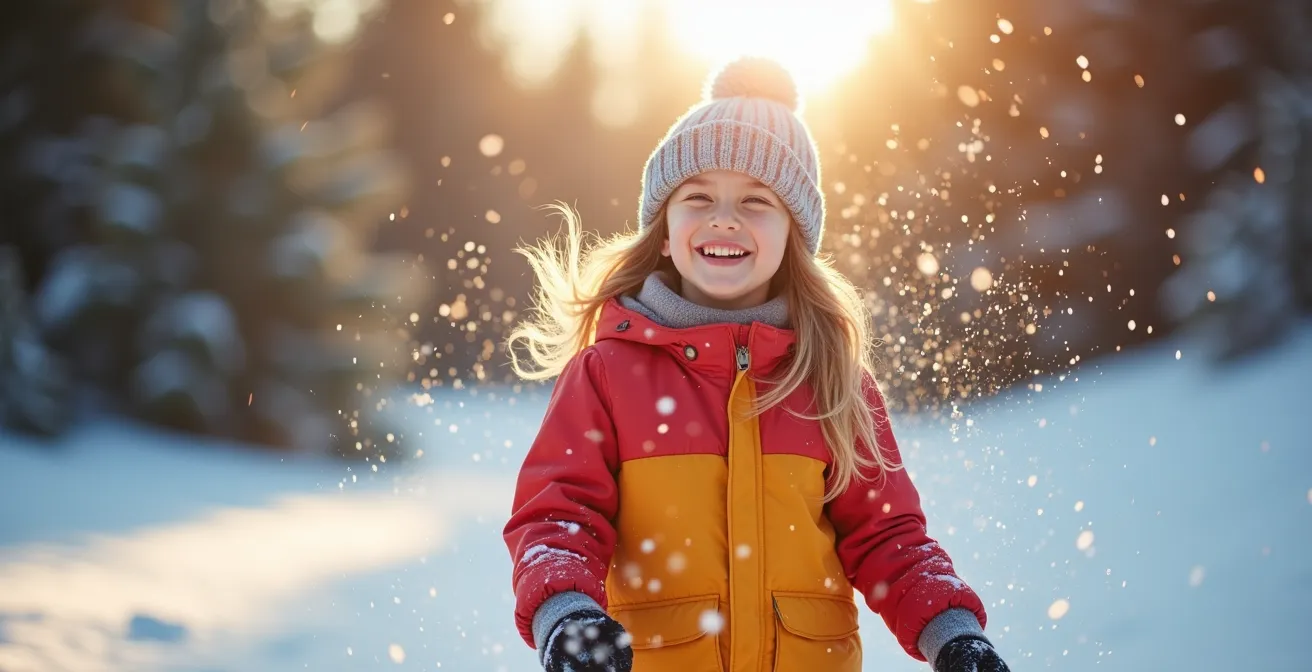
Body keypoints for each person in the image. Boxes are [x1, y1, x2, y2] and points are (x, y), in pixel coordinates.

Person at [503, 57, 1009, 672]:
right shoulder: (608, 374)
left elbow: (888, 538)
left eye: (756, 199)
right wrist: (568, 615)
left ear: (793, 233)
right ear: (664, 231)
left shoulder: (832, 382)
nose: (724, 217)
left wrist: (952, 634)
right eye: (698, 196)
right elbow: (558, 516)